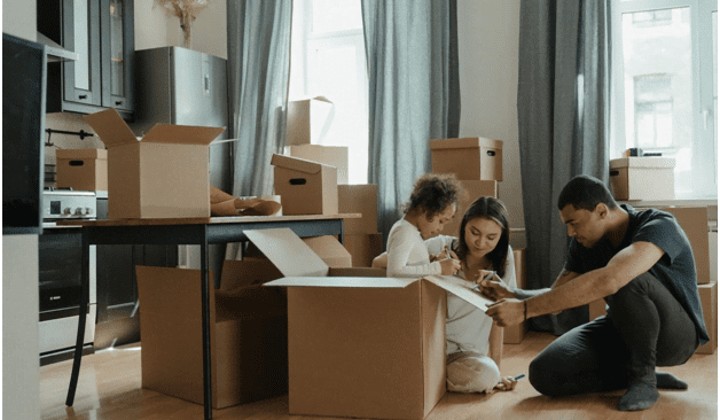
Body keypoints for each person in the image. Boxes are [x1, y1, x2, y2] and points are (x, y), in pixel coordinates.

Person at [483, 174, 708, 411]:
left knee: (626, 278)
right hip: (623, 329)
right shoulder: (584, 243)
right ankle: (632, 374)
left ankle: (644, 380)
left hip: (677, 337)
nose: (570, 232)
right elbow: (557, 296)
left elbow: (612, 279)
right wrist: (513, 294)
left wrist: (525, 310)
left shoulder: (659, 225)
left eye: (574, 223)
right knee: (543, 373)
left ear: (601, 211)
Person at [376, 196, 520, 393]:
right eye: (474, 232)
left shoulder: (504, 260)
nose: (480, 242)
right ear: (463, 226)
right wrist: (433, 265)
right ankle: (425, 378)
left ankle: (424, 379)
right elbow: (379, 262)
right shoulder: (440, 246)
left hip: (466, 356)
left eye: (491, 237)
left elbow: (499, 317)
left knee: (487, 375)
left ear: (501, 237)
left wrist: (497, 370)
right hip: (429, 347)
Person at [384, 173, 462, 277]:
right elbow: (395, 272)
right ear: (424, 208)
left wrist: (431, 262)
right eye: (441, 221)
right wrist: (438, 268)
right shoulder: (404, 232)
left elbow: (411, 267)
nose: (440, 228)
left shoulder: (411, 231)